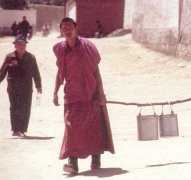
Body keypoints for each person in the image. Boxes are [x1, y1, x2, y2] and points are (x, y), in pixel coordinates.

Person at [53, 17, 115, 174]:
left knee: (93, 126)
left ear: (76, 29)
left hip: (90, 93)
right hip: (72, 95)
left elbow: (96, 72)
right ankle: (72, 163)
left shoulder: (88, 46)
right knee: (71, 127)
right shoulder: (60, 49)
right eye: (64, 28)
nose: (67, 30)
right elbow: (60, 72)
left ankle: (96, 159)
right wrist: (55, 92)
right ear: (61, 31)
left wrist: (101, 93)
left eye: (70, 27)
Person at [0, 34, 42, 137]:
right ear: (15, 45)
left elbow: (36, 72)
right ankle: (15, 129)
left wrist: (38, 86)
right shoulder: (9, 57)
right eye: (19, 44)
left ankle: (22, 129)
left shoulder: (31, 57)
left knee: (25, 107)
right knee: (14, 107)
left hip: (27, 87)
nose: (22, 46)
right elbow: (2, 72)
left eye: (23, 44)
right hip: (13, 87)